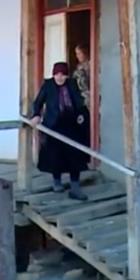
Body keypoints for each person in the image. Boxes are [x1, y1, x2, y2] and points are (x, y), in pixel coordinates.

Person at [29, 61, 90, 201]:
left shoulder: (72, 84)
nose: (60, 78)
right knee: (55, 155)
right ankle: (57, 182)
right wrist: (36, 115)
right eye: (57, 75)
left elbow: (78, 102)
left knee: (75, 155)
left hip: (71, 124)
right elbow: (38, 103)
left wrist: (81, 114)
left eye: (63, 75)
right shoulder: (48, 85)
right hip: (54, 125)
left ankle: (75, 187)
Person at [72, 44, 91, 109]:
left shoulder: (91, 64)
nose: (77, 56)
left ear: (85, 53)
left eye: (79, 53)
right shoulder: (79, 66)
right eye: (76, 54)